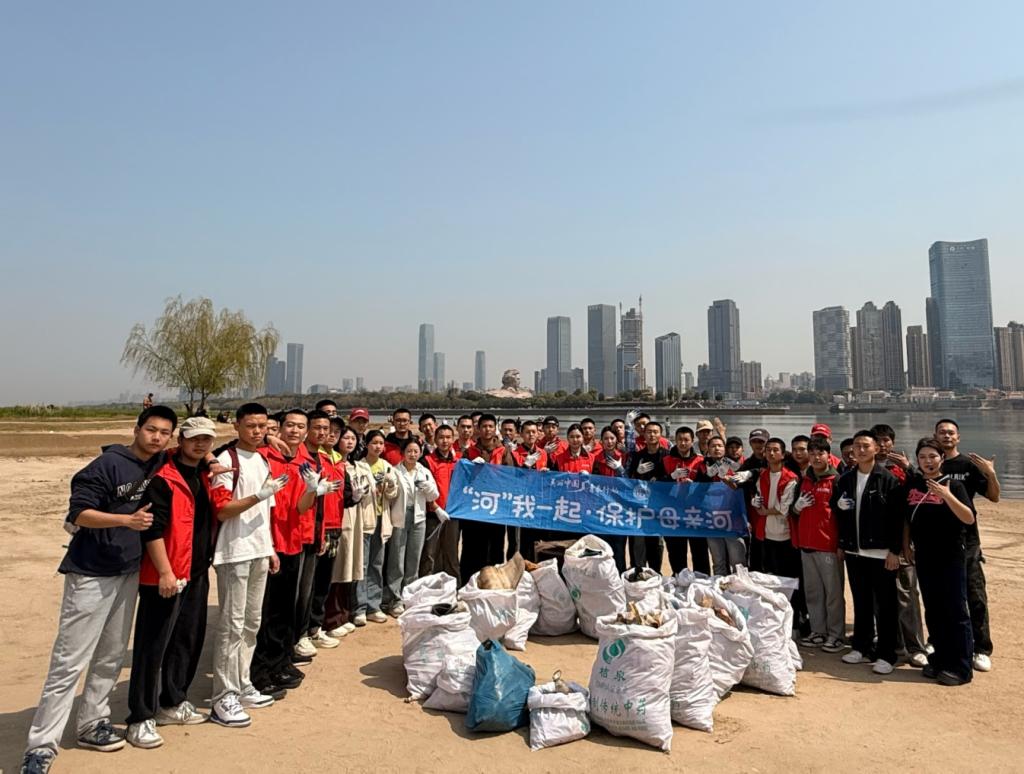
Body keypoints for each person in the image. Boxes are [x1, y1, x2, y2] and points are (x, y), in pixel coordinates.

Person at [21, 407, 177, 774]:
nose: (156, 437)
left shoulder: (156, 464)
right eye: (151, 430)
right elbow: (78, 513)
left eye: (164, 432)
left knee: (109, 654)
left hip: (128, 571)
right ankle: (41, 746)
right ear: (136, 429)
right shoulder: (106, 465)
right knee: (68, 661)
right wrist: (127, 519)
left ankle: (92, 722)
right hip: (91, 572)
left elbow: (198, 453)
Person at [125, 416, 218, 749]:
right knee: (153, 646)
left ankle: (173, 701)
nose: (200, 445)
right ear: (182, 440)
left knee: (187, 639)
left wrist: (212, 459)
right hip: (165, 574)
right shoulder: (162, 477)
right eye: (194, 439)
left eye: (206, 440)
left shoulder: (207, 470)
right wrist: (164, 571)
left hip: (195, 569)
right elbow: (151, 529)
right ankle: (140, 717)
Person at [208, 403, 286, 722]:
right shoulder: (227, 460)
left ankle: (242, 684)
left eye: (262, 426)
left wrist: (270, 548)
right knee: (231, 624)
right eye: (251, 425)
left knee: (252, 621)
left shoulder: (263, 459)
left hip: (258, 549)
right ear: (237, 426)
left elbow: (265, 514)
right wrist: (258, 496)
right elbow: (222, 510)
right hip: (233, 551)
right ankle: (222, 696)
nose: (257, 431)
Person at [250, 410, 318, 695]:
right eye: (289, 425)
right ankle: (259, 671)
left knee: (284, 609)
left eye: (300, 427)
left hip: (292, 543)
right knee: (262, 614)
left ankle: (280, 661)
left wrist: (314, 489)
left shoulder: (306, 463)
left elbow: (302, 508)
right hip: (267, 544)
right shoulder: (263, 456)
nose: (294, 430)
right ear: (279, 428)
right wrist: (265, 436)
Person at [830, 430, 904, 675]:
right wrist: (842, 542)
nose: (860, 450)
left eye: (865, 446)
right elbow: (838, 511)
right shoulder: (845, 479)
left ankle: (886, 653)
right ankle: (861, 646)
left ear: (875, 449)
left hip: (881, 552)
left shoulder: (888, 479)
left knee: (886, 605)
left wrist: (895, 551)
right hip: (854, 550)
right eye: (856, 446)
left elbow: (897, 519)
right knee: (861, 601)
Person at [904, 438, 976, 686]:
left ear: (941, 459)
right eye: (922, 457)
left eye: (932, 456)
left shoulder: (954, 485)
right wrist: (906, 546)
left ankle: (962, 667)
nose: (927, 461)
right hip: (924, 554)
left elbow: (968, 518)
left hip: (950, 555)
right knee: (933, 610)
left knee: (955, 611)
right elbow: (907, 519)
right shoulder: (914, 484)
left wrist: (946, 496)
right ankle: (941, 660)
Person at [936, 418, 1000, 673]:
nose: (947, 436)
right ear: (935, 435)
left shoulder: (968, 465)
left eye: (951, 433)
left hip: (967, 540)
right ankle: (940, 641)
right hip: (937, 540)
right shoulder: (930, 464)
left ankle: (982, 648)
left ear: (958, 437)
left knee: (974, 595)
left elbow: (994, 497)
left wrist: (991, 473)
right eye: (942, 432)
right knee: (942, 596)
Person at [870, 423, 927, 668]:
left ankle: (915, 646)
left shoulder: (903, 470)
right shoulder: (866, 469)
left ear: (892, 442)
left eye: (886, 441)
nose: (883, 446)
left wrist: (910, 468)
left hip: (903, 541)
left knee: (907, 594)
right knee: (880, 597)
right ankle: (889, 641)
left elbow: (922, 492)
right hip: (875, 544)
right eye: (878, 441)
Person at [792, 437, 845, 653]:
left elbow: (844, 516)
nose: (815, 457)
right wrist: (797, 507)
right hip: (807, 543)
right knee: (813, 592)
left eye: (820, 453)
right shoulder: (803, 480)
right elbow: (794, 513)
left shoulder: (837, 480)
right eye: (812, 454)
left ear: (827, 455)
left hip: (828, 546)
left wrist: (841, 543)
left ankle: (836, 634)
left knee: (833, 593)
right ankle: (818, 630)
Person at [305, 416, 351, 649]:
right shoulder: (314, 460)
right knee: (310, 582)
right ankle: (305, 630)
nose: (330, 434)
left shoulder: (338, 461)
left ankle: (316, 627)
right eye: (326, 430)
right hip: (316, 527)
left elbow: (347, 496)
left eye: (335, 431)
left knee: (324, 580)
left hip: (335, 526)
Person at [383, 438, 439, 615]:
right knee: (396, 559)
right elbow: (390, 496)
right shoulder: (394, 471)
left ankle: (409, 595)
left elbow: (433, 496)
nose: (412, 454)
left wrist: (427, 486)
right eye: (409, 451)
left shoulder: (424, 471)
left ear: (420, 453)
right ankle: (395, 598)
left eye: (416, 451)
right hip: (400, 516)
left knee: (413, 558)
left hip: (419, 517)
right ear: (403, 453)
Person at [323, 425, 367, 637]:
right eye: (344, 437)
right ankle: (331, 618)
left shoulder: (349, 464)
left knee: (349, 567)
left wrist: (356, 496)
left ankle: (343, 614)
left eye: (352, 438)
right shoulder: (331, 461)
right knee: (337, 569)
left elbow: (348, 496)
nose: (349, 441)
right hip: (335, 521)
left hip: (352, 518)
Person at [352, 431, 399, 623]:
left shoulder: (386, 466)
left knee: (376, 564)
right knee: (361, 564)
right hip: (365, 519)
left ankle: (374, 605)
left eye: (381, 443)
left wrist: (389, 486)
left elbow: (393, 493)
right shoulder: (359, 466)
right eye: (374, 443)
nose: (378, 447)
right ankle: (359, 608)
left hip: (382, 518)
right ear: (366, 445)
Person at [460, 414, 506, 579]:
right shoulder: (469, 452)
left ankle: (494, 584)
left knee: (496, 548)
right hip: (474, 509)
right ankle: (467, 583)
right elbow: (461, 479)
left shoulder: (503, 452)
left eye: (490, 426)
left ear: (495, 429)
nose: (487, 430)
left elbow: (512, 478)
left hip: (496, 510)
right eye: (484, 426)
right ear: (478, 429)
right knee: (472, 547)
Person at [663, 426, 710, 575]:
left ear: (692, 441)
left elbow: (707, 486)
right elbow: (656, 486)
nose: (683, 443)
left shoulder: (700, 461)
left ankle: (702, 582)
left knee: (700, 551)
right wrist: (670, 477)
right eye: (679, 440)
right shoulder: (666, 460)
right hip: (674, 513)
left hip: (694, 513)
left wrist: (695, 487)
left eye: (686, 440)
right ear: (675, 441)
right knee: (676, 551)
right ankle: (679, 579)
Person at [697, 436, 746, 575]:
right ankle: (720, 590)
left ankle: (740, 590)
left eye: (719, 445)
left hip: (733, 520)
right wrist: (706, 476)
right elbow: (697, 489)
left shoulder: (737, 465)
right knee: (718, 561)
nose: (716, 448)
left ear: (725, 449)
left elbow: (744, 490)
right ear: (708, 448)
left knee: (737, 561)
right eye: (713, 446)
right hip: (711, 520)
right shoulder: (702, 466)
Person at [502, 419, 549, 560]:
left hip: (537, 502)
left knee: (535, 539)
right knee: (516, 542)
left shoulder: (543, 453)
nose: (531, 435)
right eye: (527, 432)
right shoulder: (515, 453)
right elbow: (511, 478)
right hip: (518, 502)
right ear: (521, 434)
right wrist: (526, 466)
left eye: (534, 432)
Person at [419, 424, 460, 580]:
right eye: (441, 437)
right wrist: (435, 507)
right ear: (435, 439)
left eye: (448, 437)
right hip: (433, 514)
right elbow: (423, 489)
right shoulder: (427, 461)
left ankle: (453, 587)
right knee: (429, 554)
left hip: (453, 515)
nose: (445, 441)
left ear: (453, 439)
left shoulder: (458, 461)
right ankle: (426, 588)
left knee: (452, 554)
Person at [627, 421, 670, 572]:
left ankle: (656, 572)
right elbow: (629, 480)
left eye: (655, 432)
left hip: (659, 507)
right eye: (649, 432)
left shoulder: (667, 455)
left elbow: (671, 478)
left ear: (660, 435)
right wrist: (638, 472)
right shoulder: (638, 456)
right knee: (638, 542)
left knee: (656, 542)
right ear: (644, 435)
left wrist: (660, 480)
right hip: (639, 506)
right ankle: (638, 572)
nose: (652, 435)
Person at [592, 425, 629, 572]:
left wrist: (620, 470)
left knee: (619, 546)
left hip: (619, 509)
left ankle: (620, 575)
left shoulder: (624, 457)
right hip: (601, 508)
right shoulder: (596, 459)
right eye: (606, 438)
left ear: (616, 440)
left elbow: (630, 483)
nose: (609, 441)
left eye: (612, 438)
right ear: (601, 441)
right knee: (602, 546)